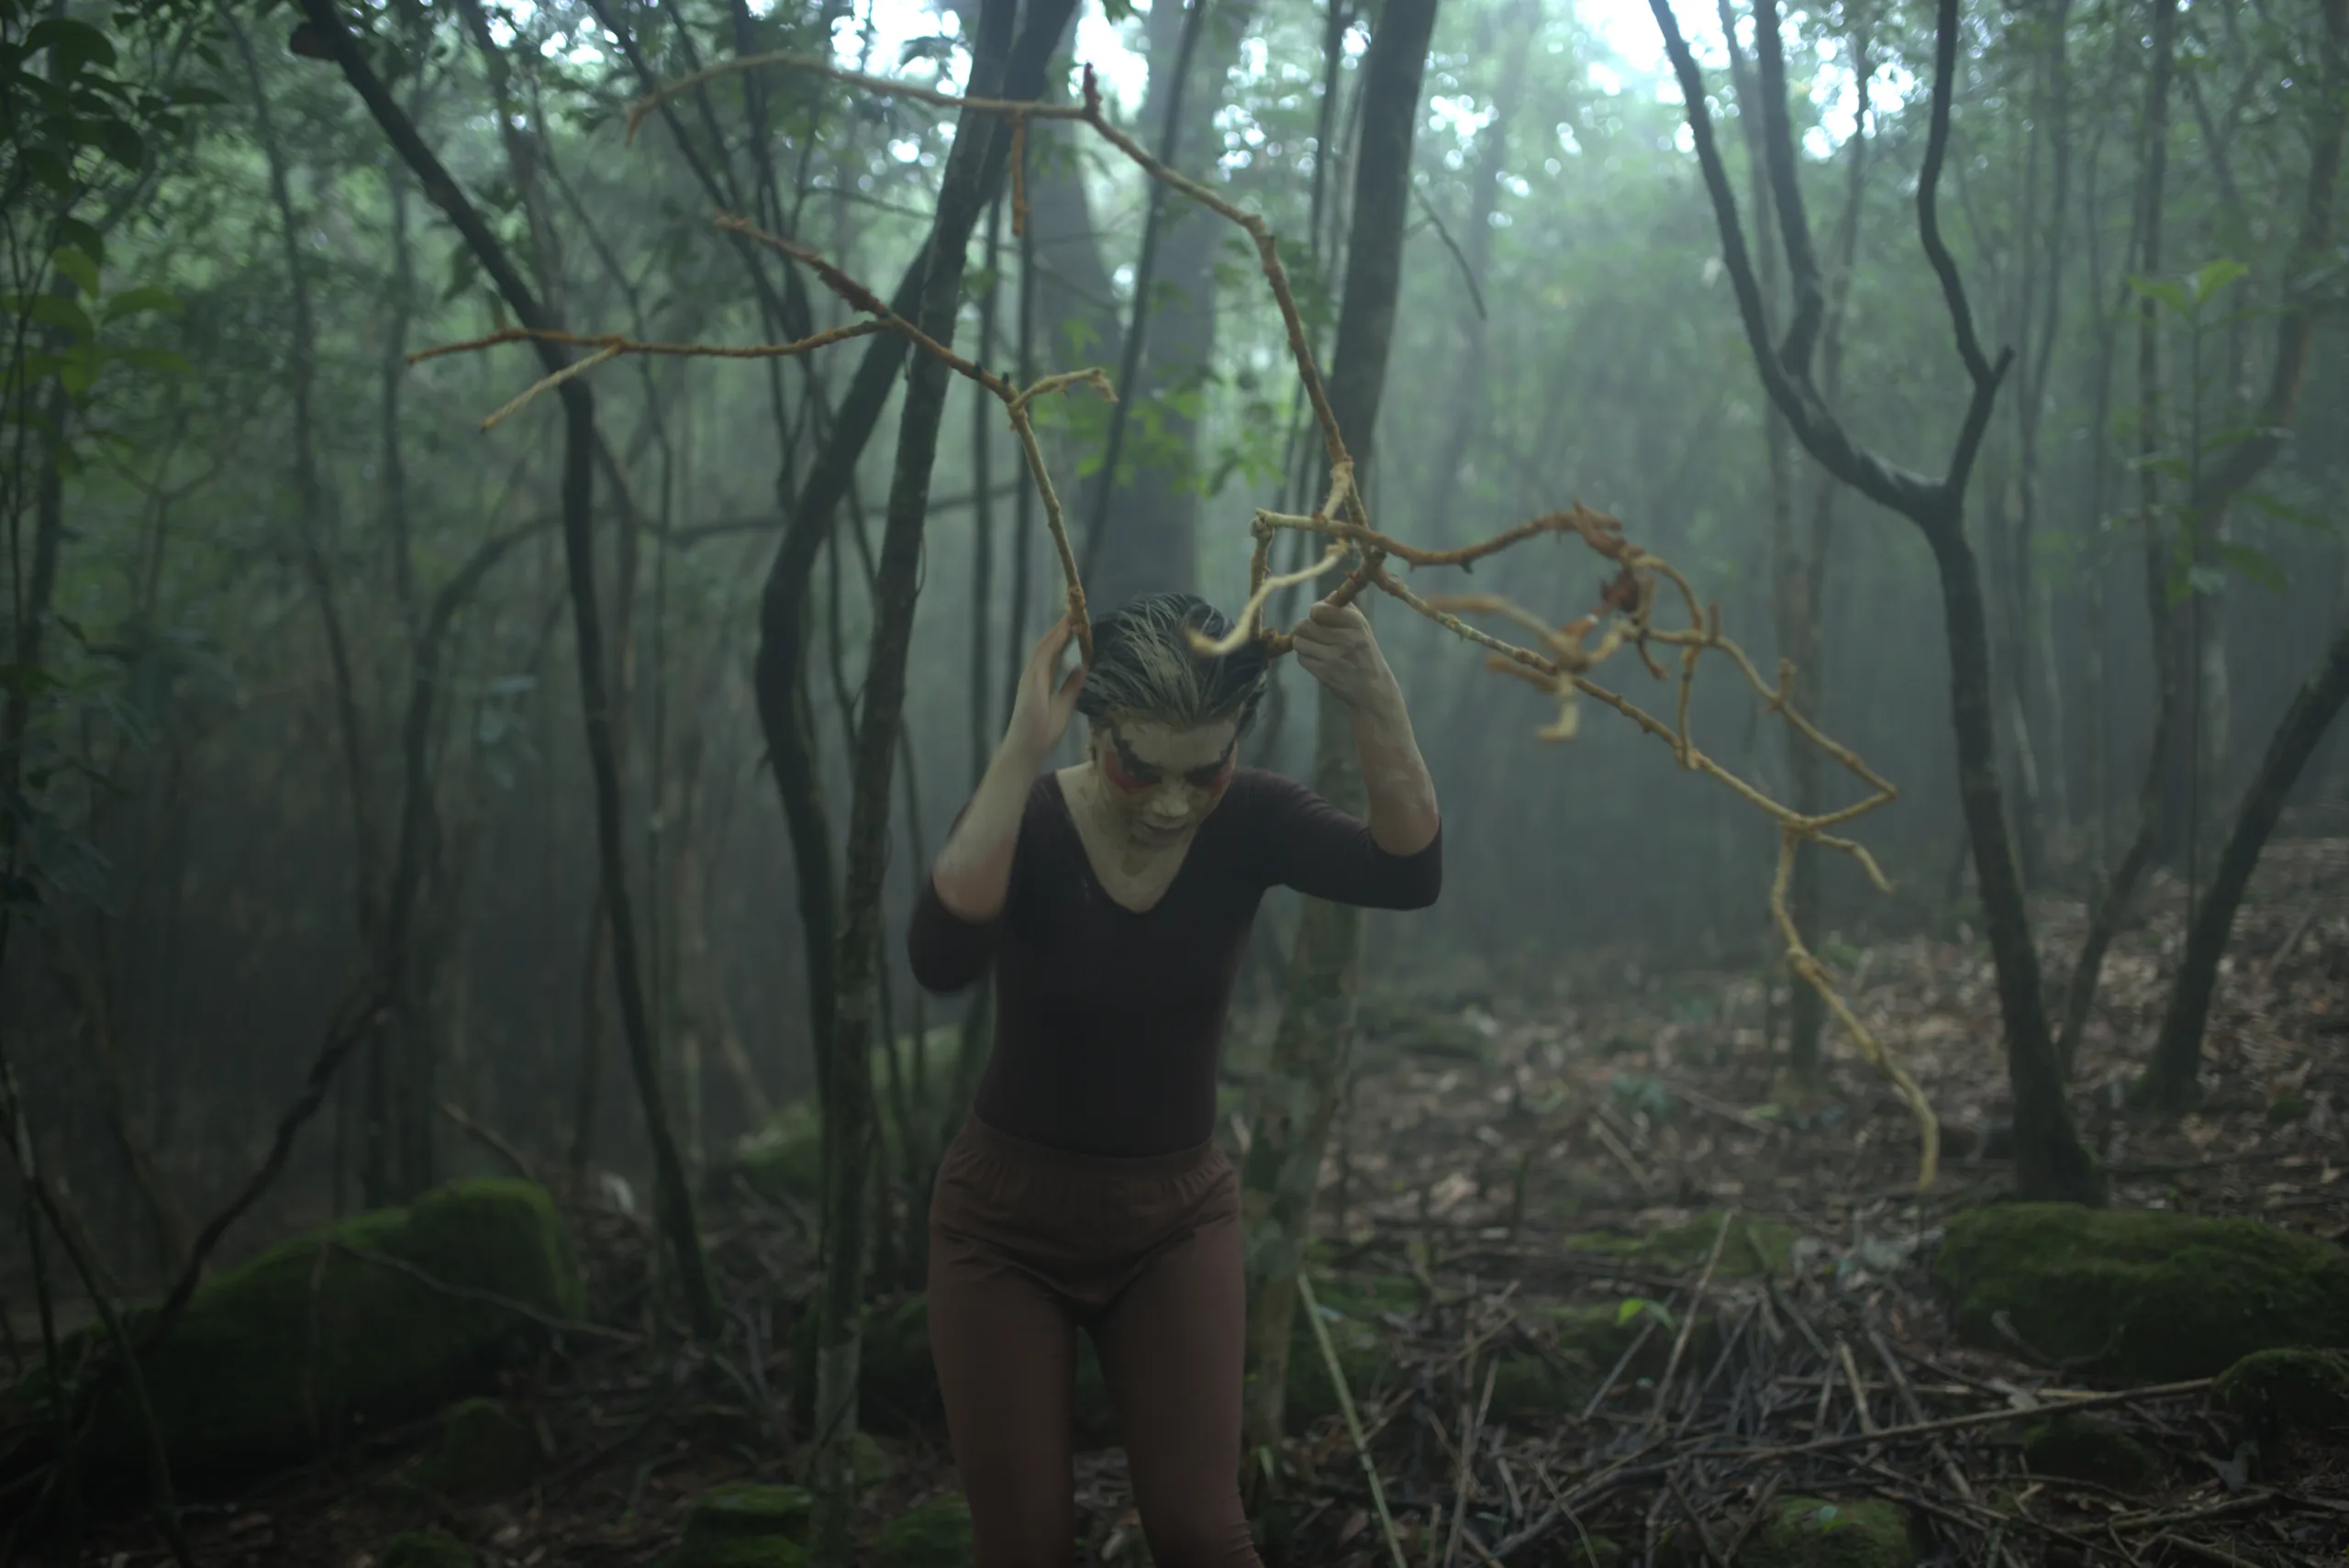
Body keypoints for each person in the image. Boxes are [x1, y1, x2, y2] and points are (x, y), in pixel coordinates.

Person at [907, 591, 1442, 1568]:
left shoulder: (1253, 819)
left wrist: (1376, 695)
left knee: (1202, 1532)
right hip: (1001, 1226)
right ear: (1095, 727)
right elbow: (941, 955)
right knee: (1023, 1544)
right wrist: (1021, 746)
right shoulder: (1028, 812)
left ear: (1239, 736)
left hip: (1175, 1220)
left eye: (1203, 771)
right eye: (1136, 766)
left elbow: (1405, 870)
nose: (1167, 799)